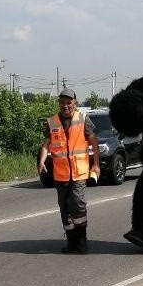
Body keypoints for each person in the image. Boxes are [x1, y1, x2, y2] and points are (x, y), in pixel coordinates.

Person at [37, 87, 100, 254]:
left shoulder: (83, 119)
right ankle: (72, 244)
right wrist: (41, 162)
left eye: (69, 102)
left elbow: (93, 143)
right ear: (59, 103)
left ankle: (82, 241)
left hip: (79, 172)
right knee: (65, 208)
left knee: (77, 203)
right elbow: (46, 145)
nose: (65, 106)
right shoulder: (52, 122)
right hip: (61, 174)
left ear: (75, 103)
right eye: (62, 102)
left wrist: (96, 165)